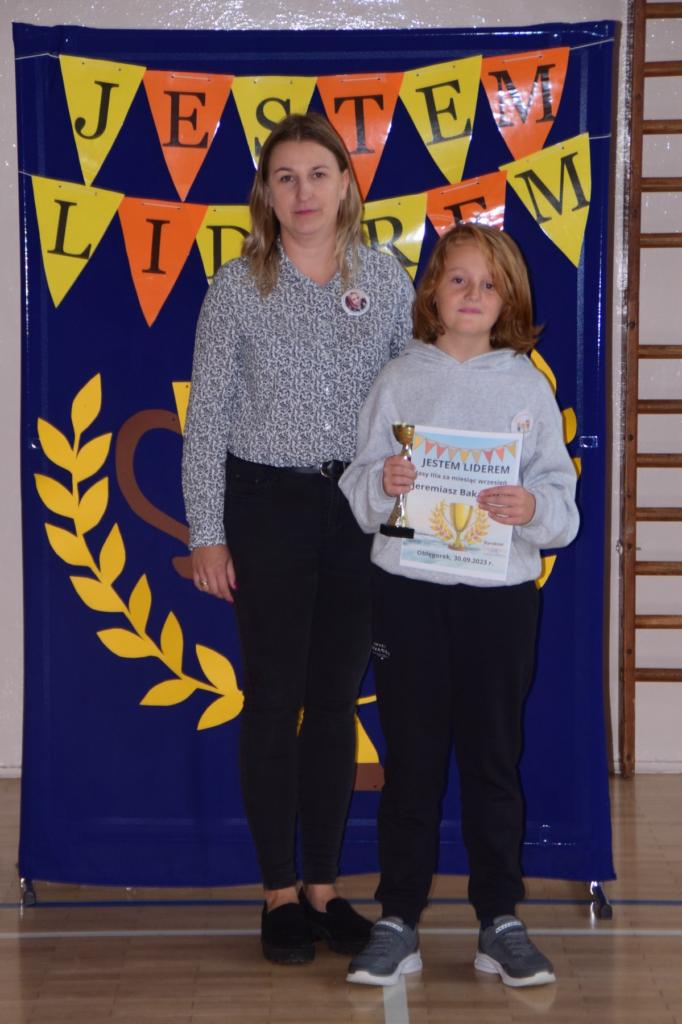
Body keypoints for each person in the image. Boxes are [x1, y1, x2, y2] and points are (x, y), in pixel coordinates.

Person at [181, 112, 414, 966]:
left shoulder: (385, 278)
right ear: (266, 193)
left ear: (347, 184)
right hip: (266, 507)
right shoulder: (236, 285)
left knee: (335, 699)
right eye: (285, 177)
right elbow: (206, 418)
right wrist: (208, 532)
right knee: (275, 698)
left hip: (357, 508)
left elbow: (414, 397)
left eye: (318, 173)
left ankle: (323, 885)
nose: (303, 191)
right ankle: (277, 891)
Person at [339, 223, 579, 988]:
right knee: (411, 762)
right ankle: (398, 920)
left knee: (492, 760)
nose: (473, 294)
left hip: (498, 602)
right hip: (407, 596)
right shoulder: (398, 379)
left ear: (509, 299)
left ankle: (499, 920)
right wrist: (384, 484)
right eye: (458, 280)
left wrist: (529, 508)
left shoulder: (526, 386)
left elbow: (561, 506)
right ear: (432, 294)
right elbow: (358, 484)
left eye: (489, 283)